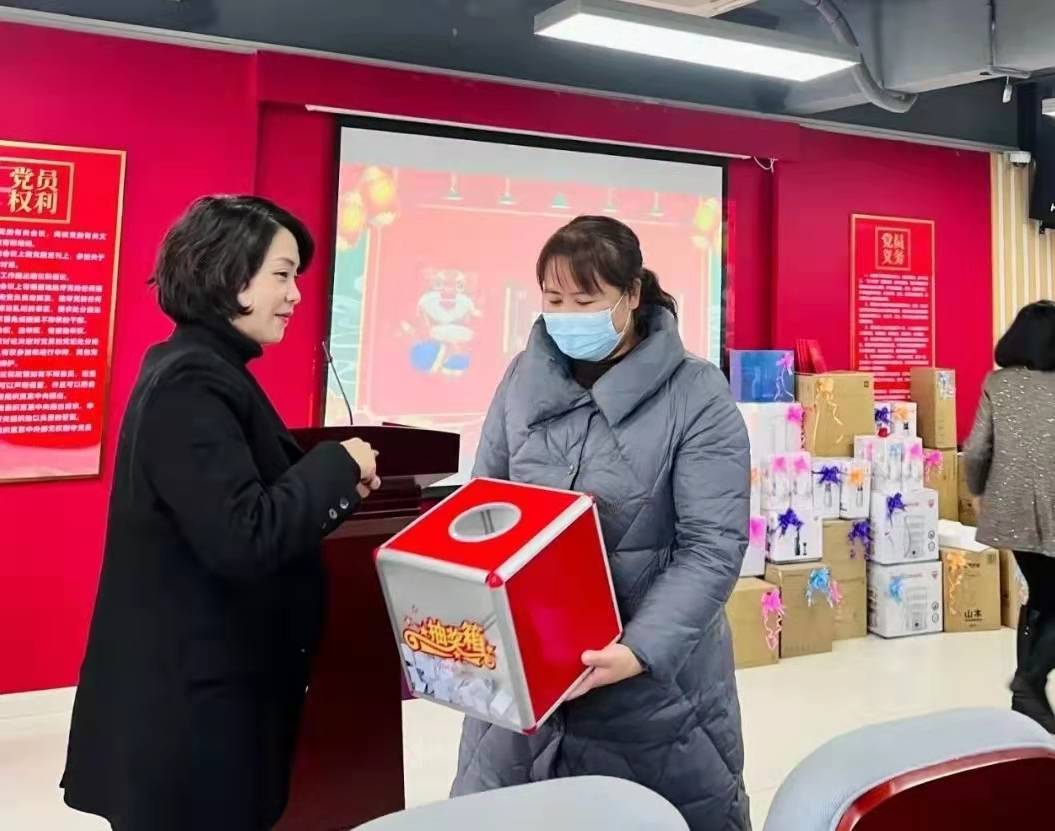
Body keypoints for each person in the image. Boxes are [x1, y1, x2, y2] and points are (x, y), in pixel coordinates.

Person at [61, 196, 382, 830]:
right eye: (282, 275)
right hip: (192, 718)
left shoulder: (199, 367)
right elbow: (244, 535)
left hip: (202, 702)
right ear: (228, 273)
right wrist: (336, 465)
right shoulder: (193, 381)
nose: (295, 295)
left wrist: (331, 480)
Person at [451, 216, 752, 829]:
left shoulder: (696, 392)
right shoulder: (521, 378)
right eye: (554, 299)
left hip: (652, 695)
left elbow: (711, 546)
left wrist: (639, 650)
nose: (566, 316)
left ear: (631, 294)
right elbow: (482, 507)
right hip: (524, 683)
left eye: (585, 301)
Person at [964, 299, 1055, 733]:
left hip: (1011, 509)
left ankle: (1027, 701)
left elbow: (975, 450)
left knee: (1041, 596)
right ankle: (1030, 680)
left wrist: (978, 491)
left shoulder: (997, 383)